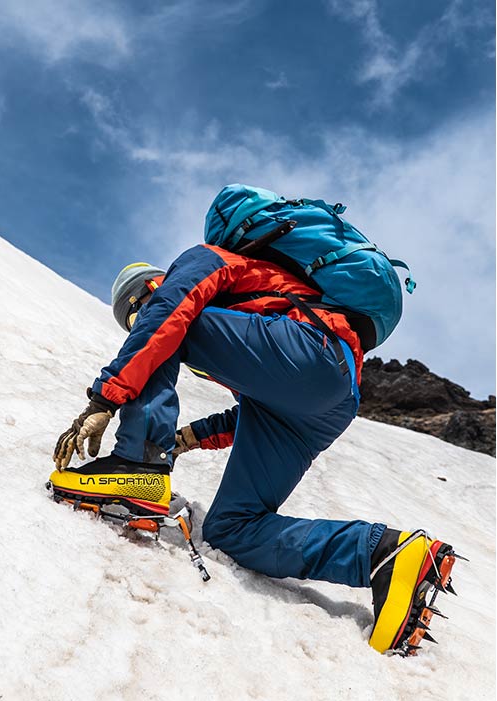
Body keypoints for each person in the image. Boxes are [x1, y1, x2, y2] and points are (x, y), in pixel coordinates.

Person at [49, 188, 457, 655]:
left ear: (149, 286)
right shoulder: (246, 316)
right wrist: (187, 438)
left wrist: (103, 400)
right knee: (231, 529)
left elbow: (165, 318)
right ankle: (383, 554)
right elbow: (256, 402)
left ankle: (136, 467)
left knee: (167, 329)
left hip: (313, 352)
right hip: (325, 398)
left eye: (134, 312)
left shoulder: (203, 261)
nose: (135, 323)